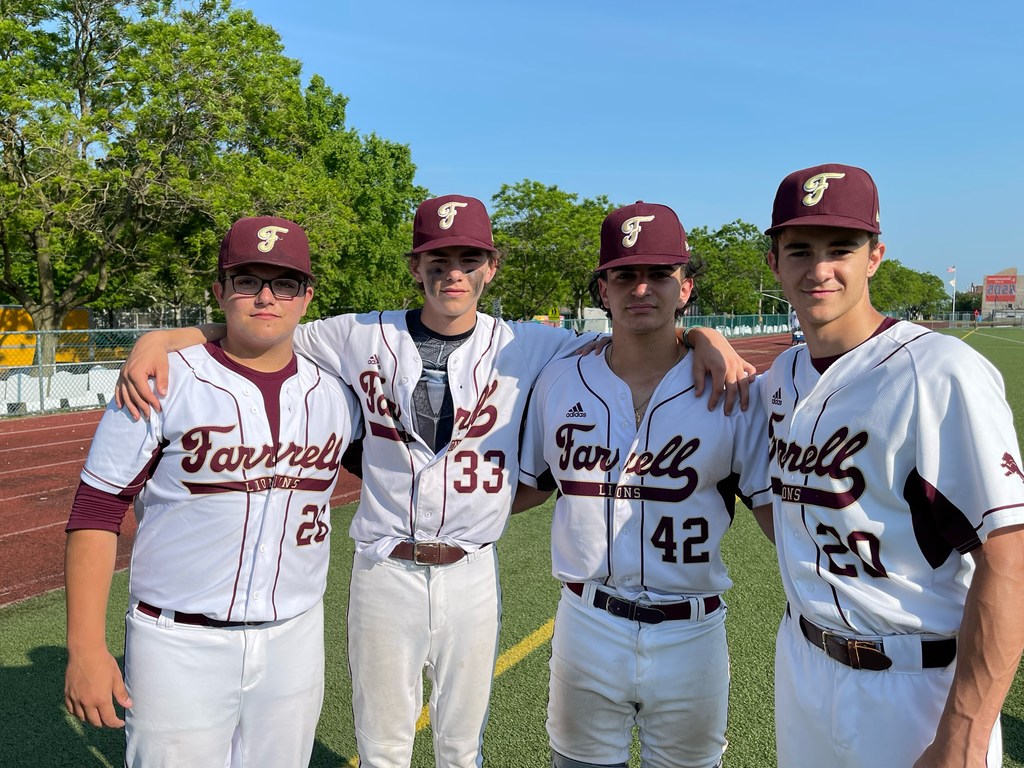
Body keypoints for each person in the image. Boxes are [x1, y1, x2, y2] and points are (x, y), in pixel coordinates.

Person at [115, 195, 756, 768]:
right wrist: (165, 336)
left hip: (472, 569)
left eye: (468, 258)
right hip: (383, 567)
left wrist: (706, 337)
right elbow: (258, 325)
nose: (454, 272)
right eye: (438, 258)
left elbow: (637, 335)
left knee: (459, 745)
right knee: (384, 743)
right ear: (416, 267)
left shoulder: (530, 344)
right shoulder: (358, 333)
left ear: (490, 267)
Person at [64, 216, 362, 767]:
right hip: (177, 641)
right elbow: (97, 508)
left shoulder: (338, 395)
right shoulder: (160, 379)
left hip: (294, 637)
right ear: (220, 290)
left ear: (306, 296)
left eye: (285, 283)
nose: (266, 297)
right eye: (248, 280)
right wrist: (84, 648)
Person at [760, 163, 1024, 768]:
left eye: (841, 248)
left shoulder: (937, 371)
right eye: (799, 249)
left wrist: (964, 734)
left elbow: (1009, 560)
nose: (819, 268)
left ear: (875, 255)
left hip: (914, 683)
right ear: (774, 261)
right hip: (804, 666)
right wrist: (702, 338)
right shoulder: (783, 375)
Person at [514, 201, 773, 768]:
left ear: (685, 286)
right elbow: (529, 483)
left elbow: (777, 516)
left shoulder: (731, 391)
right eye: (624, 274)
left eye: (658, 273)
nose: (640, 288)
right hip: (587, 621)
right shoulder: (559, 379)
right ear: (602, 288)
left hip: (692, 628)